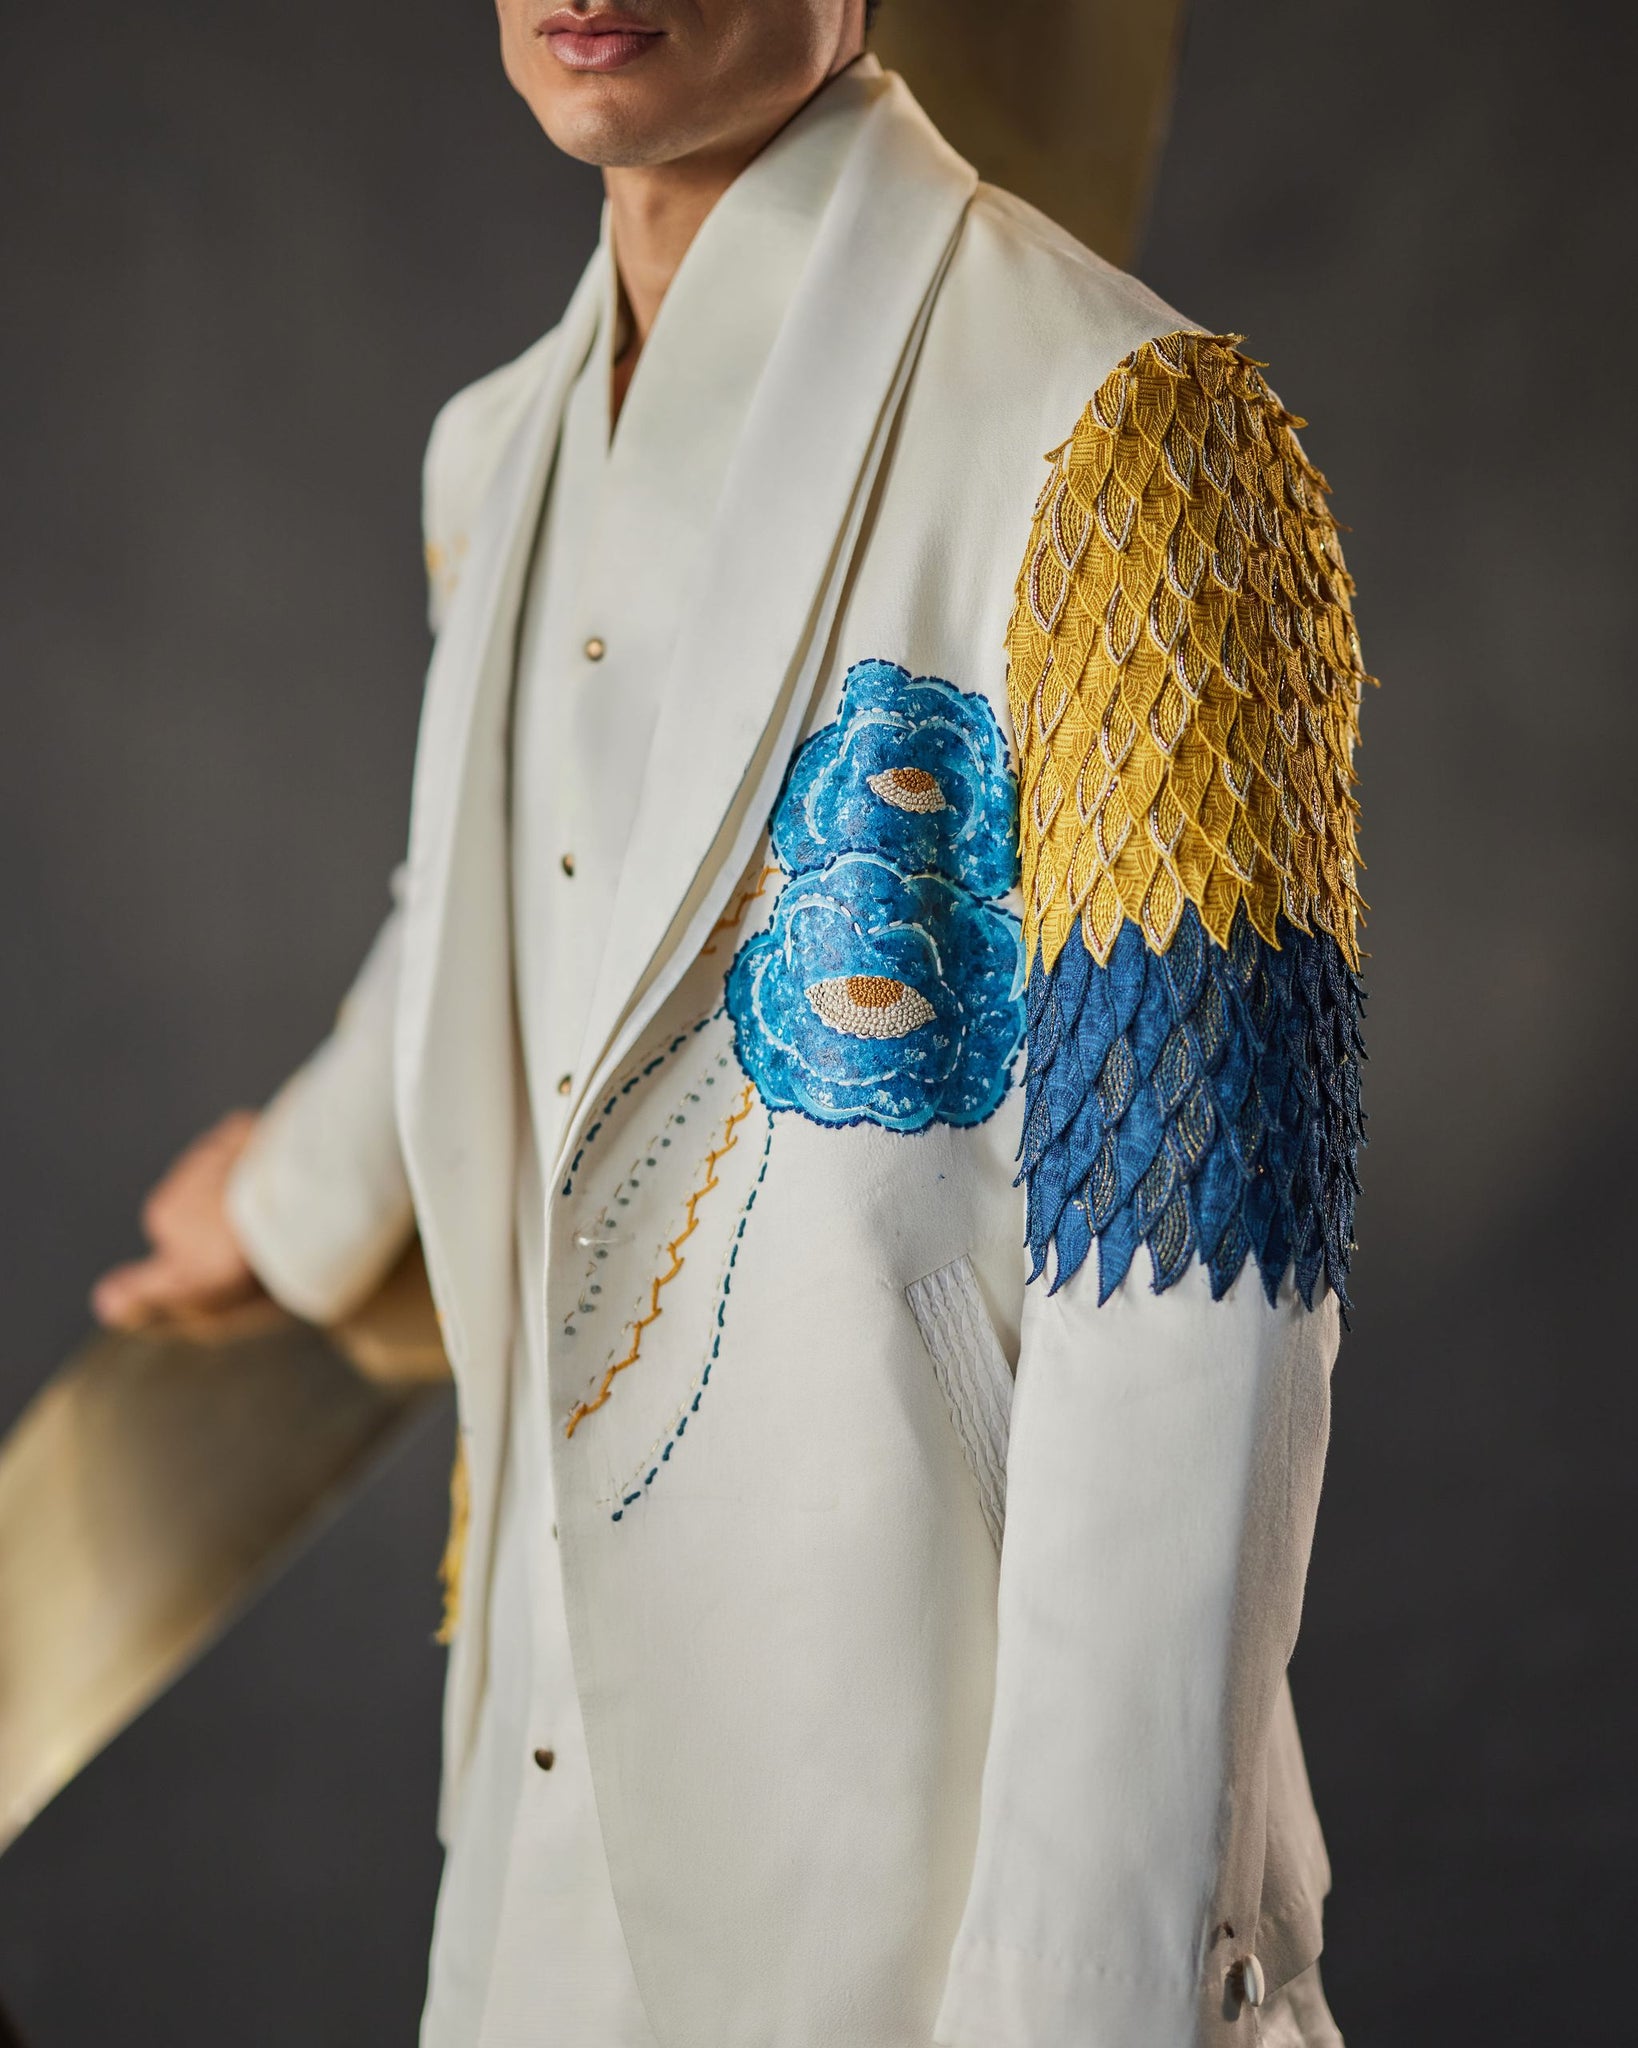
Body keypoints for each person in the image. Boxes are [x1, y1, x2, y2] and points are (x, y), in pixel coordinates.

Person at [93, 3, 1368, 2043]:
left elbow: (1204, 1295)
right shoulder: (493, 453)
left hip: (941, 1840)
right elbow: (502, 901)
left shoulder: (1129, 435)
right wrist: (297, 1199)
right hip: (540, 1810)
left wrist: (1075, 1996)